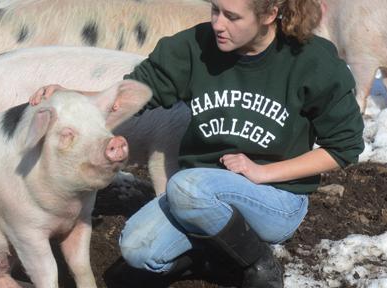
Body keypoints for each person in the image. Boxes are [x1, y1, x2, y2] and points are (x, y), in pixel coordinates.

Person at [30, 0, 365, 287]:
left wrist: (264, 173)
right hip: (199, 195)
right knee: (136, 249)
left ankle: (259, 263)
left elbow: (343, 148)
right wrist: (72, 96)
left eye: (232, 17)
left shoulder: (310, 60)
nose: (218, 24)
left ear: (269, 14)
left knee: (186, 186)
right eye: (215, 10)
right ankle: (211, 257)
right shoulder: (195, 47)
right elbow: (133, 95)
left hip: (275, 198)